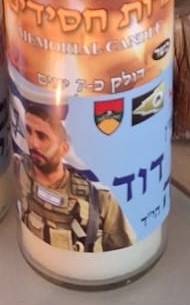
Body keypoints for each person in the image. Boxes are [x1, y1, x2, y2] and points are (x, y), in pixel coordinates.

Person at [15, 99, 135, 253]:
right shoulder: (19, 170)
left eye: (42, 136)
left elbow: (126, 253)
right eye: (29, 131)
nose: (33, 143)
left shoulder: (101, 201)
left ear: (64, 149)